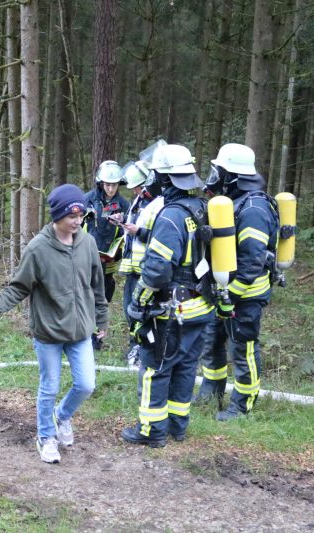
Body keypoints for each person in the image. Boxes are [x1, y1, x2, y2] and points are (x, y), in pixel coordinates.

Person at [0, 184, 109, 464]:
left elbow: (98, 286)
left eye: (80, 215)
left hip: (81, 330)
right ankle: (46, 436)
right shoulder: (38, 249)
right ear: (57, 215)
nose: (77, 221)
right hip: (48, 332)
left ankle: (62, 416)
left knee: (86, 385)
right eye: (72, 216)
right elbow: (17, 288)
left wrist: (102, 319)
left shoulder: (88, 243)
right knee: (50, 386)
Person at [121, 144, 215, 446]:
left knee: (155, 367)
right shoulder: (200, 208)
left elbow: (157, 271)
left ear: (164, 178)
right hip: (200, 306)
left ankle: (151, 431)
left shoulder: (170, 215)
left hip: (171, 310)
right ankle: (177, 427)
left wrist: (138, 301)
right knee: (186, 367)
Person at [193, 143, 279, 421]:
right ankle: (212, 389)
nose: (213, 175)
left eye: (218, 170)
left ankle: (242, 405)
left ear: (232, 174)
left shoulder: (254, 207)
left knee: (243, 348)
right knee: (212, 341)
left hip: (245, 295)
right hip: (223, 291)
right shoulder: (232, 202)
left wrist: (234, 293)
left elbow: (253, 260)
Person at [83, 160, 129, 349]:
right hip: (87, 254)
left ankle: (97, 335)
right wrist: (87, 214)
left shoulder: (124, 204)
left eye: (114, 184)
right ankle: (83, 332)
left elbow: (131, 228)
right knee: (86, 292)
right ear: (101, 183)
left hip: (110, 255)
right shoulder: (88, 199)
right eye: (107, 184)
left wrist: (123, 220)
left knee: (104, 293)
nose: (110, 188)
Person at [117, 160, 151, 367]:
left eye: (138, 187)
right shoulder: (137, 202)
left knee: (142, 312)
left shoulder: (157, 203)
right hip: (132, 267)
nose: (135, 191)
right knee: (129, 310)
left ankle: (142, 351)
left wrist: (139, 232)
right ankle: (134, 347)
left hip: (148, 269)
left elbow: (160, 236)